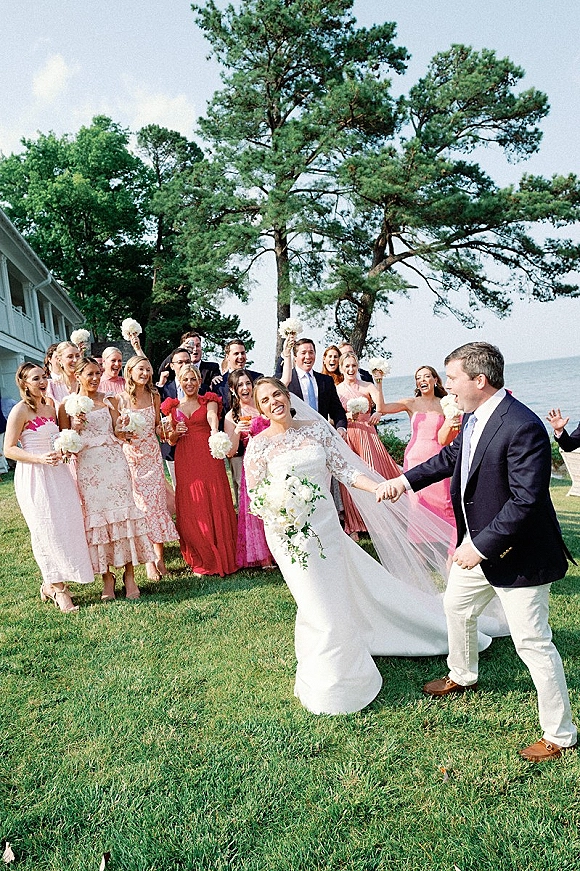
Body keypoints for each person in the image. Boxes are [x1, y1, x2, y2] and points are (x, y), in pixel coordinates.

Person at [244, 377, 502, 716]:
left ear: (287, 396)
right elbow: (255, 495)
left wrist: (379, 487)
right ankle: (333, 680)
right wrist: (280, 512)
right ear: (260, 408)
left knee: (330, 599)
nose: (273, 402)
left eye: (277, 394)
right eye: (265, 400)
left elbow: (347, 470)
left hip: (325, 532)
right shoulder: (259, 446)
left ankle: (341, 675)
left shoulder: (317, 431)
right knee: (315, 602)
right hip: (289, 538)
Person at [377, 342, 577, 763]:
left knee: (533, 643)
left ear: (479, 381)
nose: (446, 386)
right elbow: (453, 456)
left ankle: (560, 735)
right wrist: (404, 482)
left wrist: (480, 546)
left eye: (451, 378)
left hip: (517, 556)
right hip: (475, 547)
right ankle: (463, 674)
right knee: (456, 608)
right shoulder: (473, 416)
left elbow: (525, 500)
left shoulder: (522, 425)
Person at [59, 357, 155, 601]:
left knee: (124, 514)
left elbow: (117, 433)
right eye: (89, 374)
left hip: (114, 463)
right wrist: (76, 427)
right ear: (78, 376)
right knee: (98, 520)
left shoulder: (109, 400)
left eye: (97, 373)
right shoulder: (67, 405)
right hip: (89, 468)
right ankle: (107, 578)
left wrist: (126, 429)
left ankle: (130, 576)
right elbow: (65, 442)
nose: (94, 378)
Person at [4, 363, 94, 612]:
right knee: (45, 529)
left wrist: (68, 438)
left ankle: (48, 583)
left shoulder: (51, 406)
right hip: (34, 474)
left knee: (66, 524)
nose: (42, 381)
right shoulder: (19, 410)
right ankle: (59, 589)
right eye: (36, 378)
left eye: (44, 376)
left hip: (58, 473)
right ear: (24, 383)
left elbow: (59, 437)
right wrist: (38, 458)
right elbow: (8, 449)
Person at [164, 364, 238, 577]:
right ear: (179, 381)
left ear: (199, 381)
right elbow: (170, 440)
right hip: (185, 457)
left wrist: (215, 432)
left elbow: (212, 420)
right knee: (192, 504)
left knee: (213, 498)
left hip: (207, 455)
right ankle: (201, 554)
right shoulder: (172, 407)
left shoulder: (210, 401)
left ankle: (221, 554)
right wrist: (175, 433)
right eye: (185, 380)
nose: (189, 383)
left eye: (193, 379)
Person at [119, 355, 178, 581]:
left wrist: (166, 429)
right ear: (131, 372)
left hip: (152, 456)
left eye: (148, 370)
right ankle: (148, 562)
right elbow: (117, 432)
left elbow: (157, 428)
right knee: (141, 508)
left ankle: (159, 558)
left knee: (155, 505)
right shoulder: (120, 399)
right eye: (140, 369)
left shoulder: (154, 395)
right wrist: (124, 435)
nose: (145, 374)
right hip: (131, 457)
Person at [382, 365, 460, 529]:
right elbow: (382, 408)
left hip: (438, 457)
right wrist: (378, 381)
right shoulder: (411, 403)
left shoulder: (445, 403)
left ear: (435, 380)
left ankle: (449, 540)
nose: (422, 380)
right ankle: (419, 546)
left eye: (426, 376)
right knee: (417, 504)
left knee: (444, 500)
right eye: (418, 378)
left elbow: (451, 433)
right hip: (414, 457)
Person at [336, 351, 399, 539]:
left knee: (373, 472)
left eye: (353, 366)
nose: (350, 369)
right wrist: (348, 417)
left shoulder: (368, 386)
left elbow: (380, 406)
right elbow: (334, 416)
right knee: (351, 477)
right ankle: (354, 523)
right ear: (341, 368)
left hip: (367, 434)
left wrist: (379, 384)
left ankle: (380, 521)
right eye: (346, 366)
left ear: (357, 367)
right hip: (349, 435)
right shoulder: (337, 389)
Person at [224, 369, 274, 569]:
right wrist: (237, 431)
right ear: (233, 390)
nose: (245, 388)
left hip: (273, 464)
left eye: (247, 383)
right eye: (240, 385)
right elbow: (231, 451)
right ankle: (264, 556)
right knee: (257, 510)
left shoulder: (263, 406)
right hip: (252, 467)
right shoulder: (232, 416)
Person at [282, 337, 347, 433]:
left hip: (322, 433)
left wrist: (341, 428)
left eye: (311, 352)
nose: (308, 356)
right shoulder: (286, 381)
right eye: (303, 353)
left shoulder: (326, 381)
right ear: (295, 357)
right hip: (296, 434)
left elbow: (337, 410)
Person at [157, 347, 192, 485]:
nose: (184, 365)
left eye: (187, 362)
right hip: (173, 448)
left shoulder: (202, 388)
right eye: (180, 362)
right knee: (179, 487)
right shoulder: (163, 390)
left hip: (195, 445)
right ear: (172, 366)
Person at [212, 339, 263, 414]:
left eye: (242, 353)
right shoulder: (219, 385)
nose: (240, 357)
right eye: (236, 354)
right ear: (227, 357)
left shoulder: (258, 378)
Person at [46, 341, 81, 409]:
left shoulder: (86, 383)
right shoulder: (51, 386)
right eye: (70, 356)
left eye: (77, 356)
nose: (75, 360)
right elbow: (49, 415)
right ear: (59, 360)